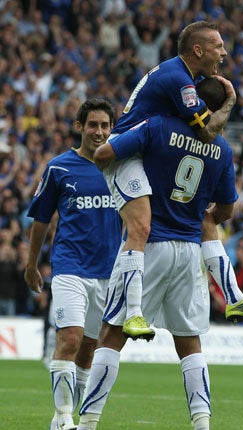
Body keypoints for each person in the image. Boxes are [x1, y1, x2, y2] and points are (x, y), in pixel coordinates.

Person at [76, 78, 243, 430]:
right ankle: (202, 425)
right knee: (190, 345)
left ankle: (87, 424)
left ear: (193, 100)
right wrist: (201, 216)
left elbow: (105, 154)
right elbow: (227, 209)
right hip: (190, 253)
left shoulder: (157, 126)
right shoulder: (223, 149)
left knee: (111, 336)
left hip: (149, 246)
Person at [97, 20, 243, 339]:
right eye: (218, 46)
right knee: (141, 226)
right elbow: (207, 132)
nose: (224, 52)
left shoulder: (183, 76)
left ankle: (234, 298)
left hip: (151, 150)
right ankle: (134, 313)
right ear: (198, 49)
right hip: (125, 151)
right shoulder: (180, 79)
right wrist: (230, 102)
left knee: (204, 220)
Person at [24, 98, 123, 430]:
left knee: (89, 351)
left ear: (112, 128)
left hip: (109, 273)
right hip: (69, 268)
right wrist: (31, 264)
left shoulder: (121, 165)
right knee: (70, 339)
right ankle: (64, 417)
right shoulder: (59, 167)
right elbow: (40, 218)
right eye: (93, 125)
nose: (99, 131)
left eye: (105, 125)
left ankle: (68, 415)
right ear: (80, 127)